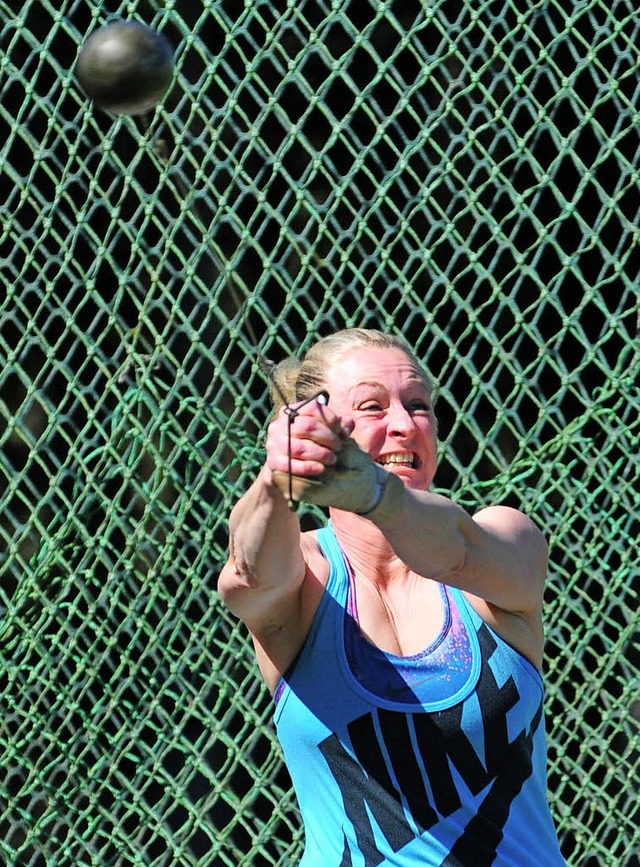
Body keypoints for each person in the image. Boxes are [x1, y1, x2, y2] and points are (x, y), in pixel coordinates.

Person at [218, 328, 565, 866]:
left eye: (419, 404)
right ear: (315, 427)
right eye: (373, 406)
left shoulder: (500, 541)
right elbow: (249, 575)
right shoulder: (309, 576)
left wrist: (375, 493)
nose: (406, 424)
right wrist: (276, 479)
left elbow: (454, 549)